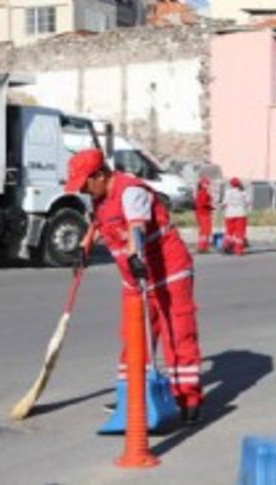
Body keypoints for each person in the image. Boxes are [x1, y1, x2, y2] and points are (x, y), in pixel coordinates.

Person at [65, 148, 204, 424]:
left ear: (101, 175)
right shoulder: (101, 196)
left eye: (85, 184)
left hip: (168, 271)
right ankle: (131, 394)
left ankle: (187, 398)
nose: (84, 190)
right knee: (134, 336)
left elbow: (136, 227)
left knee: (177, 333)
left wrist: (134, 255)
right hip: (135, 277)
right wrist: (85, 246)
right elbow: (99, 221)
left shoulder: (131, 191)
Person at [222, 177, 250, 255]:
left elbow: (224, 204)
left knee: (229, 232)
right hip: (240, 214)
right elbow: (248, 203)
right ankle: (238, 250)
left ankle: (226, 246)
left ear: (231, 184)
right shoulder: (243, 192)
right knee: (239, 233)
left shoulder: (228, 193)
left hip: (229, 214)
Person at [194, 177, 214, 253]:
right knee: (205, 231)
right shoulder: (203, 192)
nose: (208, 185)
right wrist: (211, 206)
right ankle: (203, 247)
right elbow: (203, 203)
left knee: (203, 231)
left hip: (202, 213)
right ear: (202, 184)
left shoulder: (201, 192)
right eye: (206, 184)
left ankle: (202, 246)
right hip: (204, 214)